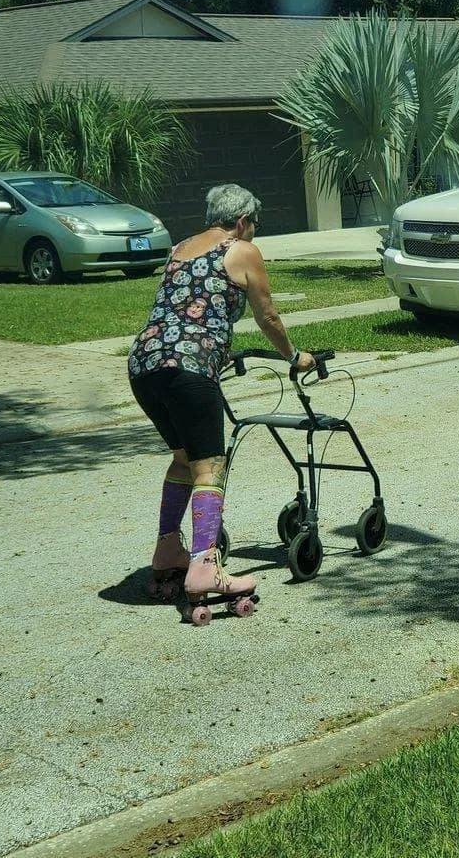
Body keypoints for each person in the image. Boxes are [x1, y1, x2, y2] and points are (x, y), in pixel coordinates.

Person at [128, 183, 315, 615]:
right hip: (189, 366)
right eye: (256, 225)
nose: (255, 233)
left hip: (144, 364)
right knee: (209, 465)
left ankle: (167, 550)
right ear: (245, 220)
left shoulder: (181, 246)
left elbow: (185, 305)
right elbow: (267, 313)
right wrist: (294, 356)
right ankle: (204, 565)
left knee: (182, 459)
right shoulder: (241, 249)